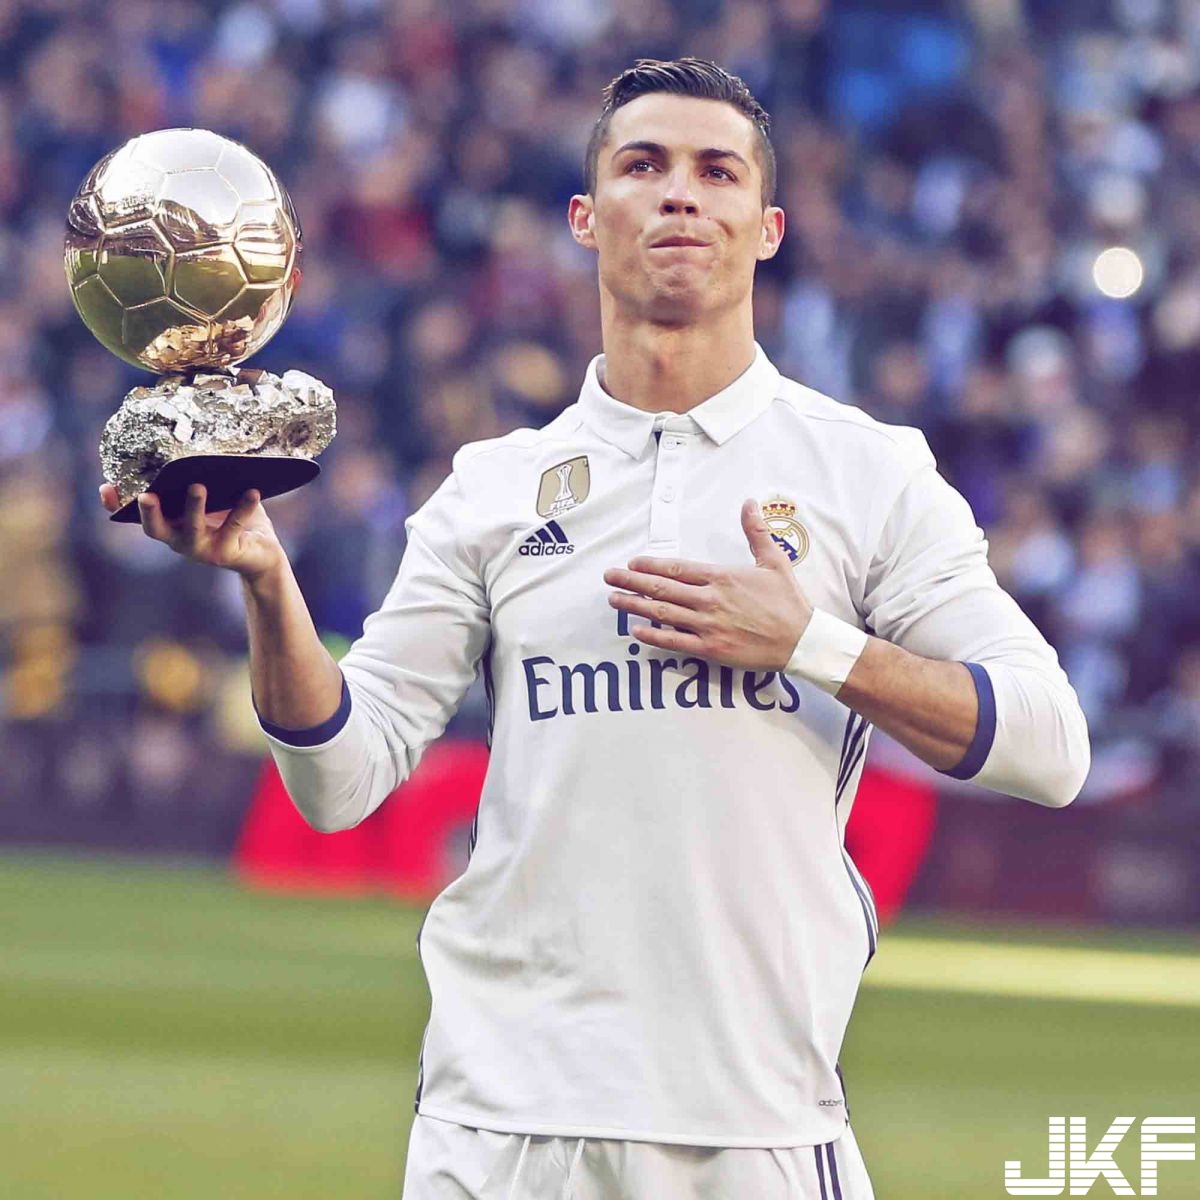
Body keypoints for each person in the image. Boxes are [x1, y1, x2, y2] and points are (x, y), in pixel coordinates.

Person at [102, 58, 1090, 1200]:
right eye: (644, 165)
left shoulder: (868, 475)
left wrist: (813, 645)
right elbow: (339, 783)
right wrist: (268, 583)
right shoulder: (490, 490)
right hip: (498, 1122)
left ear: (767, 229)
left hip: (752, 1123)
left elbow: (1052, 747)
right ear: (585, 216)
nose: (681, 195)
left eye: (717, 172)